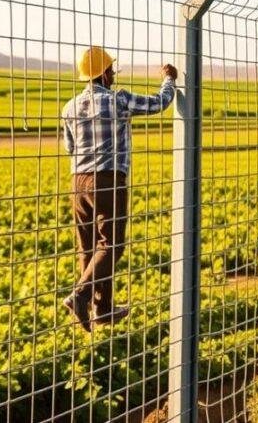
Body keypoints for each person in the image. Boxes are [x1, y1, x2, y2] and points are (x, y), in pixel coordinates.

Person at [60, 46, 178, 332]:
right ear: (104, 73)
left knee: (89, 247)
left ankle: (101, 309)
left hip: (78, 182)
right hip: (108, 179)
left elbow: (70, 148)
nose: (113, 75)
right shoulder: (119, 100)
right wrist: (169, 79)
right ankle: (80, 296)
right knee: (111, 244)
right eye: (111, 70)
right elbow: (159, 103)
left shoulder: (69, 107)